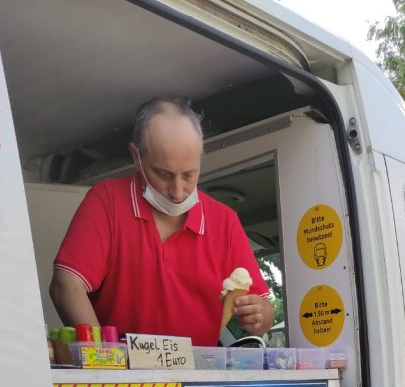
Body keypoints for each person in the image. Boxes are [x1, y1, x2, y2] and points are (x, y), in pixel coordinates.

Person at [50, 97, 273, 344]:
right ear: (136, 157)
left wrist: (260, 314)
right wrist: (105, 358)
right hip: (124, 376)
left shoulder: (224, 221)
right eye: (163, 174)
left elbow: (263, 309)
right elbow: (66, 286)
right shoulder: (108, 201)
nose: (177, 191)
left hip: (196, 376)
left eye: (189, 175)